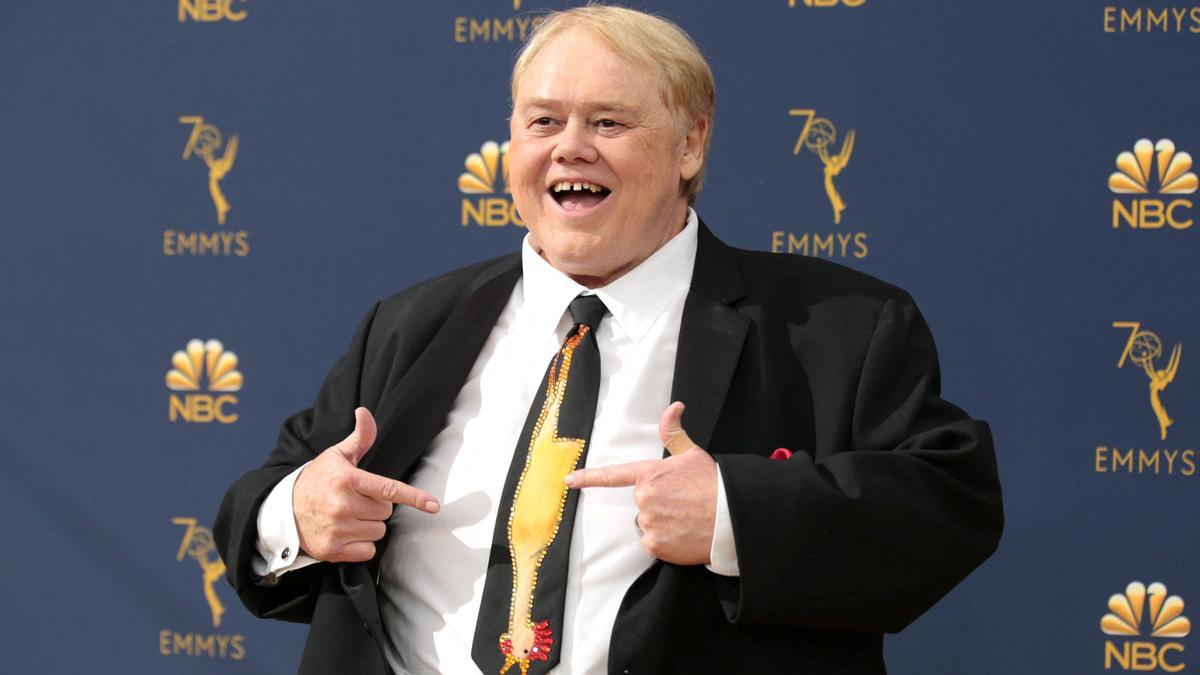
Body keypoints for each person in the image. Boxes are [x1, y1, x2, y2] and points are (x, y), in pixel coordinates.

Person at [214, 6, 1003, 674]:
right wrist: (299, 512)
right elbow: (269, 498)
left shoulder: (838, 325)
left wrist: (735, 514)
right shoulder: (412, 322)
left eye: (609, 122)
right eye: (543, 121)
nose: (570, 147)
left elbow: (947, 508)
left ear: (690, 145)